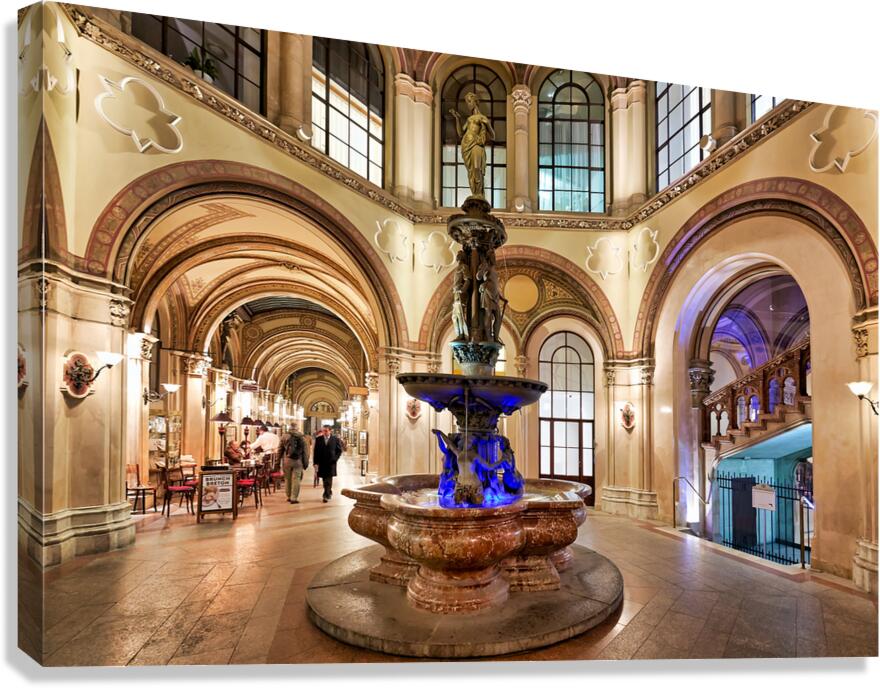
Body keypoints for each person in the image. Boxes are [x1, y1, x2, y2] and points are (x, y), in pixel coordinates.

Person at [279, 423, 309, 504]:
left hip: (287, 461)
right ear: (297, 428)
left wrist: (277, 462)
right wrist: (305, 463)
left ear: (289, 428)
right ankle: (294, 498)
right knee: (296, 479)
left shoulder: (284, 436)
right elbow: (305, 452)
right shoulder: (302, 437)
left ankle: (288, 496)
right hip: (298, 462)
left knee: (287, 479)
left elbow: (280, 450)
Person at [313, 425, 343, 502]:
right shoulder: (319, 439)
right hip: (322, 462)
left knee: (328, 479)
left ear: (330, 431)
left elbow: (339, 450)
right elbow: (316, 452)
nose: (324, 432)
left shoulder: (335, 439)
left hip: (331, 462)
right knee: (324, 478)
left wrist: (335, 459)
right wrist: (315, 463)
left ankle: (326, 495)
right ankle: (328, 491)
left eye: (326, 431)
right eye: (323, 431)